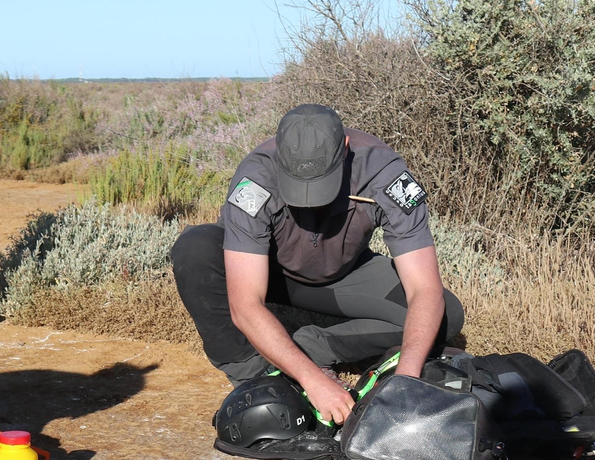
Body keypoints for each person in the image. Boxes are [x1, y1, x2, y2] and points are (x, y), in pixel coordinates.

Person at [171, 104, 465, 425]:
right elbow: (244, 304)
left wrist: (408, 376)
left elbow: (424, 288)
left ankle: (313, 346)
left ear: (346, 151)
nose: (310, 198)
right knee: (195, 247)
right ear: (280, 155)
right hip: (269, 273)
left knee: (444, 314)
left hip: (343, 276)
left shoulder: (385, 173)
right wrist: (314, 383)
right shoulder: (256, 177)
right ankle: (253, 371)